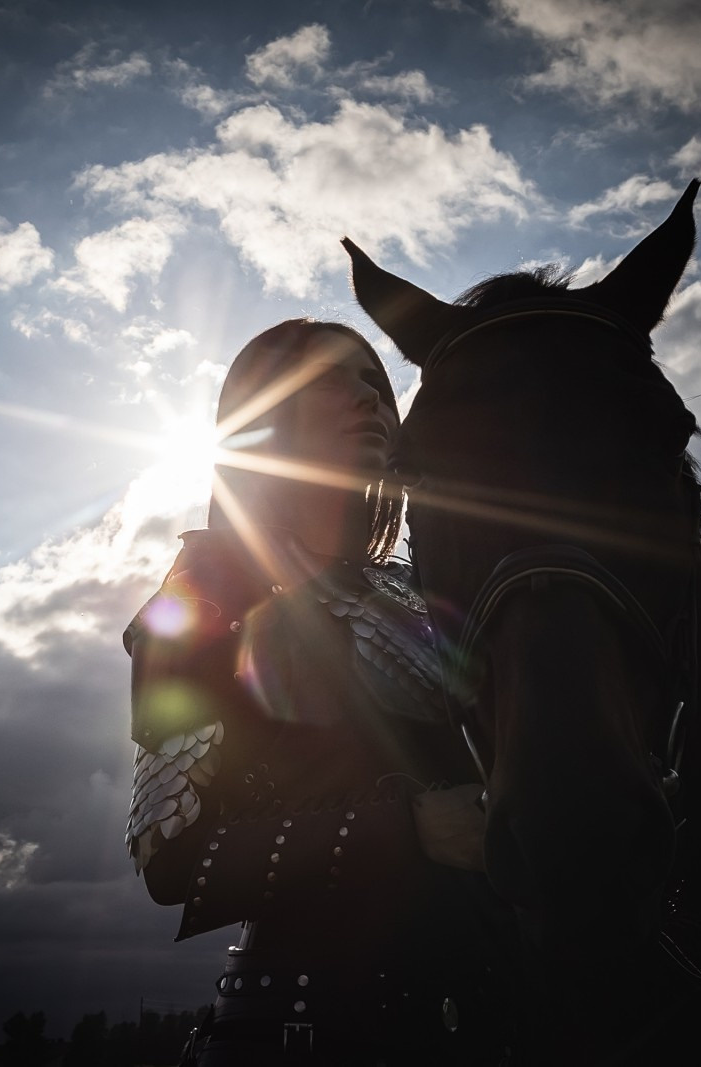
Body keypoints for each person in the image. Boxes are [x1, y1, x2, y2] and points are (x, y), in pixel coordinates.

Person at [122, 320, 505, 1066]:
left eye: (375, 383)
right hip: (303, 1030)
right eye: (334, 379)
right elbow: (171, 860)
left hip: (494, 1019)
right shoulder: (203, 591)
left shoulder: (429, 596)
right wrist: (410, 828)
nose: (368, 398)